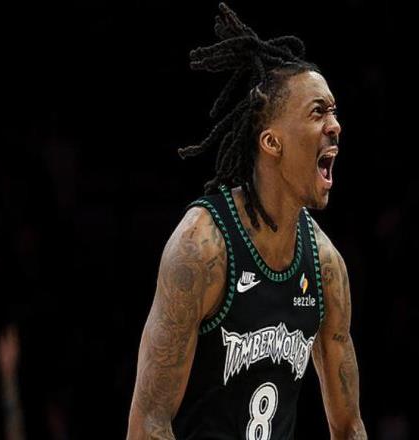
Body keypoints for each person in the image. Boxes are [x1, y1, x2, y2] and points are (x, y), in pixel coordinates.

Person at [127, 3, 367, 439]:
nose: (335, 125)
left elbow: (349, 426)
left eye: (335, 112)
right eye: (318, 112)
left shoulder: (325, 265)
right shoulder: (201, 247)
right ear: (272, 142)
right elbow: (148, 425)